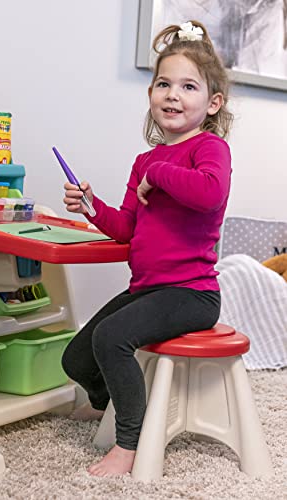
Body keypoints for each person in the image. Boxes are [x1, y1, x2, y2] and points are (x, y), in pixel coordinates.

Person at [61, 20, 234, 477]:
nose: (172, 94)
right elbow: (126, 229)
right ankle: (110, 406)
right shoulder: (146, 160)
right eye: (164, 84)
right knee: (76, 358)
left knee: (111, 338)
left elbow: (209, 194)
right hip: (149, 288)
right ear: (151, 94)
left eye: (188, 86)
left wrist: (158, 175)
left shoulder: (209, 148)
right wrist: (91, 207)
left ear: (212, 102)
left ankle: (129, 444)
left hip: (191, 293)